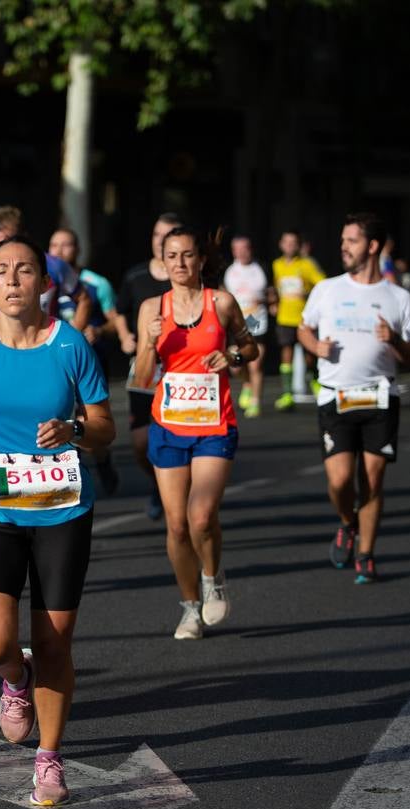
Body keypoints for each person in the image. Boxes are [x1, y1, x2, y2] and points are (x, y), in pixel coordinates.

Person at [0, 234, 115, 806]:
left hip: (62, 506)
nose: (12, 280)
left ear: (44, 283)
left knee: (55, 641)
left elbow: (104, 429)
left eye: (25, 270)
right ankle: (16, 678)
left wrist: (75, 431)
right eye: (2, 271)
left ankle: (50, 757)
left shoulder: (71, 346)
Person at [135, 228, 258, 637]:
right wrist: (150, 344)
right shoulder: (152, 308)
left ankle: (213, 577)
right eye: (172, 256)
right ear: (163, 261)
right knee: (176, 525)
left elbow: (251, 346)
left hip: (214, 424)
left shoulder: (220, 303)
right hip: (169, 426)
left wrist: (232, 355)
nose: (180, 264)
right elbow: (140, 377)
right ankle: (189, 607)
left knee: (201, 516)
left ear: (201, 260)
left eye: (188, 255)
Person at [298, 213, 410, 584]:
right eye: (342, 240)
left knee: (372, 480)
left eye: (351, 240)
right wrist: (314, 345)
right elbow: (304, 328)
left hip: (380, 396)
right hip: (335, 396)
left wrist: (395, 340)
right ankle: (347, 522)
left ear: (372, 246)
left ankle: (367, 554)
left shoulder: (397, 297)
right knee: (339, 482)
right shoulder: (327, 289)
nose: (343, 247)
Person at [116, 213, 183, 519]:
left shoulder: (185, 275)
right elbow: (120, 311)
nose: (161, 240)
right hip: (144, 364)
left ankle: (178, 490)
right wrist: (126, 336)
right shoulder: (136, 276)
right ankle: (158, 483)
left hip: (182, 369)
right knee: (141, 442)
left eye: (168, 236)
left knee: (178, 437)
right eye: (157, 235)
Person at [48, 226, 121, 495]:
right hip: (53, 361)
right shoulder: (43, 280)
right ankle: (70, 474)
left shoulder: (96, 283)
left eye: (66, 245)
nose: (59, 251)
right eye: (54, 245)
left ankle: (102, 460)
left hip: (89, 361)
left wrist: (99, 330)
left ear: (78, 250)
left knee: (87, 422)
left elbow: (116, 322)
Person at [0, 207, 90, 330]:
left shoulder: (55, 265)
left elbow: (84, 299)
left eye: (6, 244)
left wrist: (70, 339)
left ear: (24, 237)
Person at [271, 229, 328, 411]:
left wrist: (308, 293)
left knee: (309, 355)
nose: (289, 246)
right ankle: (287, 393)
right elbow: (276, 286)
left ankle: (315, 382)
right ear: (281, 245)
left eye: (293, 243)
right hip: (284, 317)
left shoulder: (306, 264)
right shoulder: (277, 265)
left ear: (298, 245)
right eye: (286, 242)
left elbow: (322, 283)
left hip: (304, 318)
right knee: (286, 353)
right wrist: (275, 302)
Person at [221, 235, 271, 418]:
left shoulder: (262, 269)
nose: (241, 252)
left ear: (251, 249)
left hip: (257, 322)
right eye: (237, 248)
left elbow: (273, 293)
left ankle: (256, 402)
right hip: (237, 324)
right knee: (235, 366)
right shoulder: (229, 272)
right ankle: (247, 383)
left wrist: (267, 299)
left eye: (245, 248)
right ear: (233, 251)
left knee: (255, 365)